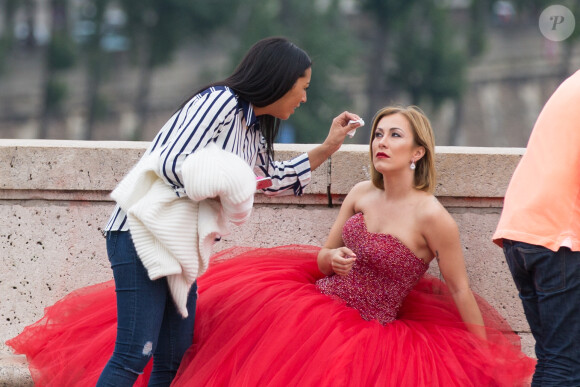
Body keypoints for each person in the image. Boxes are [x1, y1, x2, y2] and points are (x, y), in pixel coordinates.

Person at [6, 36, 362, 387]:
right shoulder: (220, 102)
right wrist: (229, 183)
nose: (304, 98)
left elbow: (272, 179)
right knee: (134, 354)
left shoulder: (254, 126)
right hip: (142, 234)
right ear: (280, 80)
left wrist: (329, 146)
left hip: (180, 247)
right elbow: (169, 162)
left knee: (174, 358)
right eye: (303, 87)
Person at [164, 105, 535, 385]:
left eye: (394, 135)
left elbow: (459, 288)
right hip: (314, 310)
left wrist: (483, 355)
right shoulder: (361, 194)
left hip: (372, 334)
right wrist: (333, 258)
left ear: (417, 153)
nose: (382, 143)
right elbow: (323, 258)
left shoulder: (433, 217)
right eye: (377, 135)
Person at [493, 69, 580, 386]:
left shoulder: (573, 83)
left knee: (554, 361)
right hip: (559, 237)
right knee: (567, 369)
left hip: (522, 231)